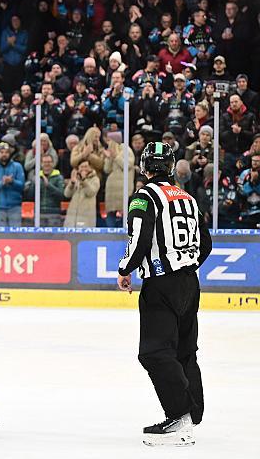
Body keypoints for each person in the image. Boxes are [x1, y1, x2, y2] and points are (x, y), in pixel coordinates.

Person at [117, 142, 212, 447]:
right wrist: (187, 263)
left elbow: (140, 238)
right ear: (171, 168)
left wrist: (125, 268)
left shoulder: (143, 197)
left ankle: (180, 416)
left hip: (161, 284)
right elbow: (206, 243)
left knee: (155, 352)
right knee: (185, 351)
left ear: (144, 168)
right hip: (189, 282)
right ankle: (192, 412)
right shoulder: (188, 198)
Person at [0, 142, 24, 226]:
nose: (4, 154)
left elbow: (22, 186)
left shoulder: (17, 166)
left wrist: (12, 181)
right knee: (1, 235)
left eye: (6, 152)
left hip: (15, 206)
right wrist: (1, 183)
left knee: (16, 234)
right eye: (2, 152)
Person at [24, 154, 65, 227]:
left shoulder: (58, 177)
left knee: (53, 237)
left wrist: (48, 185)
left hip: (53, 213)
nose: (47, 164)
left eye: (49, 162)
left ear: (53, 163)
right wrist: (33, 185)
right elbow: (30, 197)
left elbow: (61, 196)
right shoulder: (36, 177)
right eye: (45, 162)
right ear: (41, 164)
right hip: (39, 212)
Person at [63, 159, 100, 227]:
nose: (83, 169)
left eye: (86, 166)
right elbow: (67, 194)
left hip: (86, 217)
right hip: (72, 218)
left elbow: (91, 192)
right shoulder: (76, 179)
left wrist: (84, 180)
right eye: (81, 167)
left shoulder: (95, 179)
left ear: (90, 168)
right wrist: (72, 183)